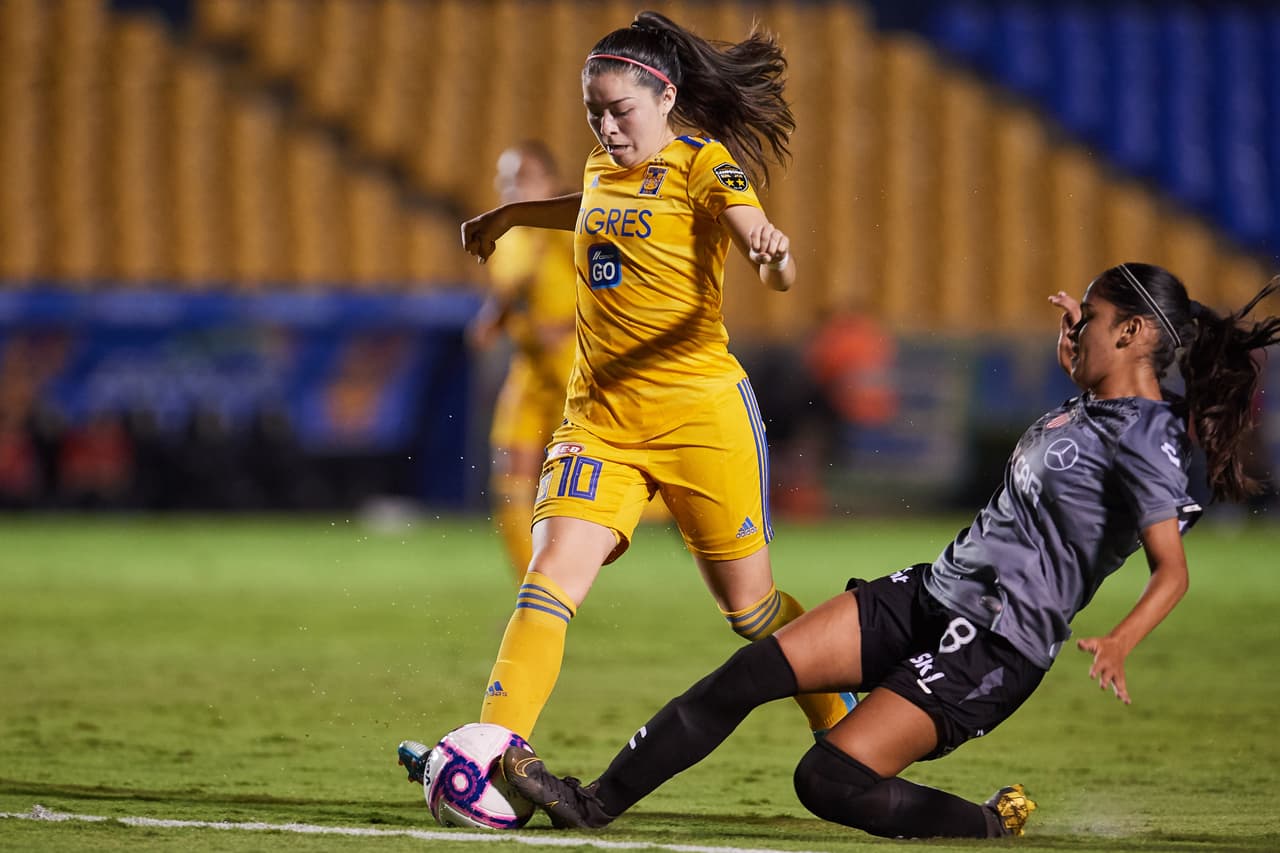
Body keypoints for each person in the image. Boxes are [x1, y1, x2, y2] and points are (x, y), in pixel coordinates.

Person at [497, 264, 1280, 839]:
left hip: (996, 647)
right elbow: (1082, 444)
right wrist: (1081, 355)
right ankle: (590, 801)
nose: (1078, 328)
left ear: (1135, 333)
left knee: (828, 778)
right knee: (746, 673)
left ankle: (982, 824)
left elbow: (1169, 569)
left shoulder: (1151, 444)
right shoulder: (1092, 405)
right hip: (931, 592)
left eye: (1098, 316)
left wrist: (1120, 639)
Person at [398, 10, 855, 781]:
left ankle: (846, 730)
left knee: (750, 612)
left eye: (621, 111)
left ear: (665, 97)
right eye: (594, 113)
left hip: (700, 417)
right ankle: (489, 749)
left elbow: (760, 244)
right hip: (600, 421)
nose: (607, 127)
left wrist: (773, 259)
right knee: (547, 580)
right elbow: (590, 210)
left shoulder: (704, 165)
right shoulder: (597, 168)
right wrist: (512, 214)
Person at [468, 141, 578, 582]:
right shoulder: (507, 239)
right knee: (510, 481)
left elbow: (614, 291)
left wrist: (568, 325)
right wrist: (491, 320)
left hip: (578, 372)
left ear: (550, 183)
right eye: (505, 179)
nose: (512, 188)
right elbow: (512, 293)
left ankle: (679, 517)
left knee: (589, 491)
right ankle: (532, 591)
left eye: (524, 177)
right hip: (530, 371)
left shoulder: (574, 228)